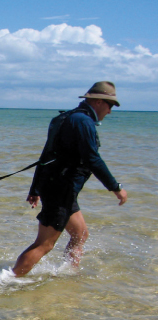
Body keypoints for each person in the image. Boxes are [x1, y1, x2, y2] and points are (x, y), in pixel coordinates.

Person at [11, 81, 128, 277]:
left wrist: (35, 188)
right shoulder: (83, 122)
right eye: (110, 106)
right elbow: (92, 159)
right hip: (61, 189)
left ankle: (69, 275)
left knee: (80, 234)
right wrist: (115, 187)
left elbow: (45, 156)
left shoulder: (64, 118)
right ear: (99, 102)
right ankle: (8, 281)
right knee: (45, 244)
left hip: (58, 188)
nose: (110, 112)